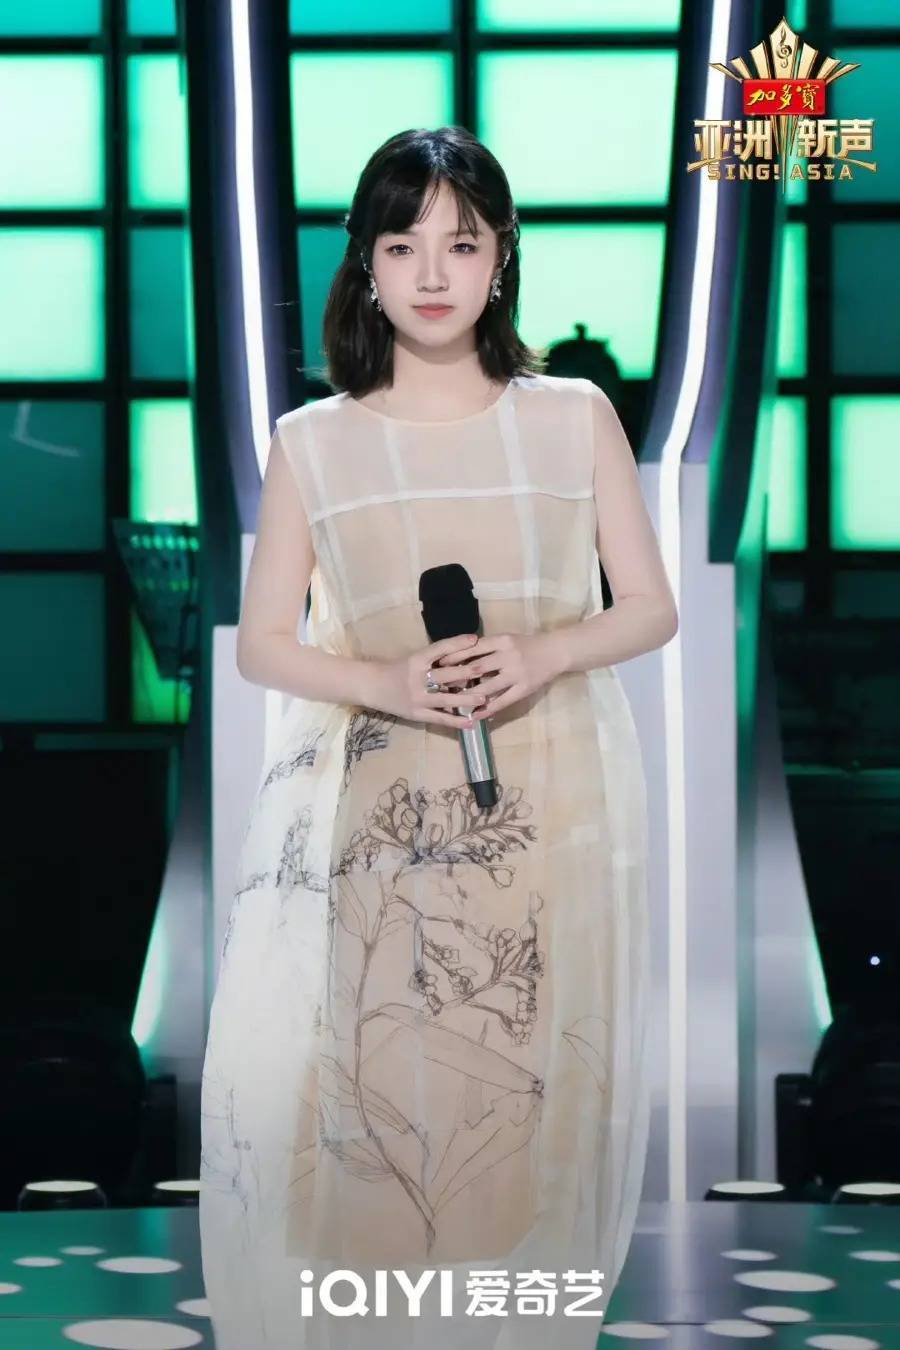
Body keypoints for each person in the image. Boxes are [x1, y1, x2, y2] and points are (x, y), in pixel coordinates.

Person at [199, 124, 678, 1350]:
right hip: (386, 818)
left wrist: (543, 653)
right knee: (384, 1130)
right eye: (402, 244)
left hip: (552, 810)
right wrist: (385, 678)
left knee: (535, 1123)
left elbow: (650, 607)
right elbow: (263, 646)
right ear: (363, 263)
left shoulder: (574, 417)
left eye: (461, 245)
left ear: (502, 256)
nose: (431, 273)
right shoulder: (313, 441)